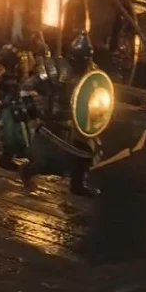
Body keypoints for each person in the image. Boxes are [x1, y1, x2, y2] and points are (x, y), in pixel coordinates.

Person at [19, 32, 109, 197]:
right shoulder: (54, 68)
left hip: (76, 123)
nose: (83, 63)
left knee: (88, 152)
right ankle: (27, 171)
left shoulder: (92, 71)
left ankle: (78, 184)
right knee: (46, 162)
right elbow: (26, 88)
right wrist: (32, 113)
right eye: (80, 59)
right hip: (51, 121)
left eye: (86, 59)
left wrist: (97, 116)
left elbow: (97, 96)